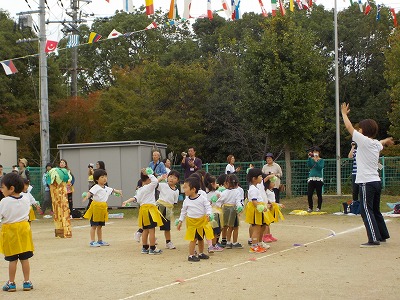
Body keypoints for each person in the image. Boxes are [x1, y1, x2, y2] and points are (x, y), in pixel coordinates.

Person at [341, 102, 394, 247]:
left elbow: (349, 128)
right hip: (376, 181)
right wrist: (386, 140)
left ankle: (373, 239)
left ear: (364, 130)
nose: (358, 130)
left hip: (366, 182)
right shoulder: (375, 144)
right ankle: (382, 235)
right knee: (375, 210)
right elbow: (380, 142)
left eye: (360, 128)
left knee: (366, 210)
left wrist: (344, 114)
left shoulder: (363, 141)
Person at [0, 173, 34, 292]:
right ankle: (26, 282)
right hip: (24, 230)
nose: (1, 189)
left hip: (10, 232)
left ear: (11, 188)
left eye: (3, 187)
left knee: (12, 259)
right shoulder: (25, 199)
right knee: (25, 259)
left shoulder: (4, 202)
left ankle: (11, 283)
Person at [122, 168, 164, 255]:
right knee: (152, 230)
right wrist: (150, 173)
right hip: (150, 210)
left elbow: (135, 198)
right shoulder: (149, 187)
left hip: (143, 210)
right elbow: (155, 181)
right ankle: (152, 248)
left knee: (145, 230)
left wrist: (127, 201)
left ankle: (144, 247)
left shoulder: (140, 189)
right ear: (148, 179)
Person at [177, 176, 214, 262]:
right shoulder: (186, 200)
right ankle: (191, 255)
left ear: (193, 189)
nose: (184, 189)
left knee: (201, 238)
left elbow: (208, 207)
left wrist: (209, 214)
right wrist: (180, 221)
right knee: (193, 239)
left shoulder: (202, 198)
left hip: (201, 221)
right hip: (192, 223)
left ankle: (200, 253)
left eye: (185, 187)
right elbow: (183, 211)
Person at [83, 169, 122, 247]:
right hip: (96, 207)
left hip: (103, 208)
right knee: (94, 225)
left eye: (105, 176)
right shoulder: (96, 187)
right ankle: (92, 241)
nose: (105, 178)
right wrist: (86, 197)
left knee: (100, 226)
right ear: (97, 179)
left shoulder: (106, 188)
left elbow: (113, 190)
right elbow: (90, 193)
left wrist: (119, 192)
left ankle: (100, 240)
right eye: (102, 177)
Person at [245, 168, 270, 253]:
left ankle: (258, 243)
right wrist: (262, 208)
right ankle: (254, 246)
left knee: (261, 227)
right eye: (260, 176)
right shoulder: (253, 189)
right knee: (256, 228)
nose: (262, 178)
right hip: (256, 211)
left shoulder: (256, 188)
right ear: (254, 178)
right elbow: (254, 201)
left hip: (259, 210)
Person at [215, 174, 244, 249]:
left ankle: (226, 241)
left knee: (225, 226)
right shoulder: (237, 192)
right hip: (233, 209)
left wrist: (217, 206)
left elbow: (220, 201)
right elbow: (238, 201)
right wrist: (240, 207)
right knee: (234, 227)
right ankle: (234, 242)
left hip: (225, 209)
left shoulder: (224, 192)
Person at [156, 170, 180, 250]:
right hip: (159, 206)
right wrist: (160, 178)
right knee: (152, 223)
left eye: (174, 177)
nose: (172, 179)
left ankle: (168, 242)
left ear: (177, 180)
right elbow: (154, 184)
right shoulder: (163, 185)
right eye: (170, 176)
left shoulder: (176, 191)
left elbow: (174, 202)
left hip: (168, 209)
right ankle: (143, 232)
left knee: (167, 227)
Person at [306, 147, 325, 212]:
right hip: (311, 178)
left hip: (318, 178)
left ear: (319, 153)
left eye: (317, 152)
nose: (315, 153)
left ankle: (319, 207)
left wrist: (316, 161)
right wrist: (309, 158)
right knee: (309, 194)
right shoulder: (311, 159)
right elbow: (309, 165)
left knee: (319, 194)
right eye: (314, 152)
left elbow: (320, 167)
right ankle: (310, 207)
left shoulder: (321, 160)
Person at [345, 142, 361, 214]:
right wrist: (353, 147)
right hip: (355, 173)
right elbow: (350, 156)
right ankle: (355, 204)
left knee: (362, 190)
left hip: (363, 173)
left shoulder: (365, 152)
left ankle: (362, 206)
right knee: (355, 190)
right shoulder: (355, 151)